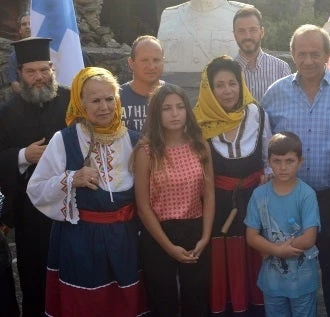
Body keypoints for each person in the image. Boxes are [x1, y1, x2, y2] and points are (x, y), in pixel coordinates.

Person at [26, 67, 147, 316]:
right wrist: (72, 178)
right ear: (80, 103)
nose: (104, 107)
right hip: (81, 243)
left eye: (109, 99)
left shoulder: (134, 140)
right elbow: (36, 189)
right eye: (95, 100)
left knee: (124, 305)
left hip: (125, 241)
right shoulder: (65, 139)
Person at [262, 25, 330, 317]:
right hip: (288, 200)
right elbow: (265, 146)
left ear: (329, 54)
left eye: (315, 54)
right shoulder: (275, 94)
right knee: (289, 271)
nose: (308, 61)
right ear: (292, 55)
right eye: (301, 54)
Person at [193, 55, 271, 316]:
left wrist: (267, 176)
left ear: (241, 85)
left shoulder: (257, 114)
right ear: (210, 89)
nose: (227, 90)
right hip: (216, 205)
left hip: (253, 203)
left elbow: (268, 157)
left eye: (232, 83)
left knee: (253, 259)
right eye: (220, 85)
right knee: (222, 264)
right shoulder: (199, 120)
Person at [0, 37, 70, 317]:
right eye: (31, 71)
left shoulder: (72, 102)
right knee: (35, 280)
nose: (39, 77)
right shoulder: (6, 113)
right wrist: (22, 156)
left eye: (44, 70)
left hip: (72, 208)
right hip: (31, 216)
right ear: (20, 75)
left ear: (53, 69)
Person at [134, 84, 215, 317]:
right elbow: (143, 206)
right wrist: (169, 248)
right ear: (157, 114)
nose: (175, 113)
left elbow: (208, 194)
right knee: (163, 302)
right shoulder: (146, 152)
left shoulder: (200, 146)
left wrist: (205, 237)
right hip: (159, 234)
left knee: (197, 299)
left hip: (195, 229)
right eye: (167, 108)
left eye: (180, 107)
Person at [245, 132, 320, 317]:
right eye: (277, 161)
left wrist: (274, 248)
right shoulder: (259, 195)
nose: (283, 167)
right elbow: (251, 236)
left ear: (300, 162)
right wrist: (277, 250)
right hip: (272, 283)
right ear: (269, 162)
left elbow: (309, 238)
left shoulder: (307, 195)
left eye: (289, 161)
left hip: (303, 281)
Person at [233, 6, 291, 100]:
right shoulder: (227, 72)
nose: (247, 36)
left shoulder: (281, 69)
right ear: (234, 35)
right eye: (241, 31)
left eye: (253, 30)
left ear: (262, 32)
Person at [120, 35, 165, 133]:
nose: (151, 66)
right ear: (131, 63)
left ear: (163, 61)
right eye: (144, 60)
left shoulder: (175, 96)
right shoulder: (115, 98)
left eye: (156, 60)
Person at [6, 13, 31, 94]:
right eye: (24, 24)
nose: (28, 26)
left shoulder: (49, 50)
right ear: (20, 30)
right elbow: (14, 84)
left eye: (30, 23)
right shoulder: (14, 56)